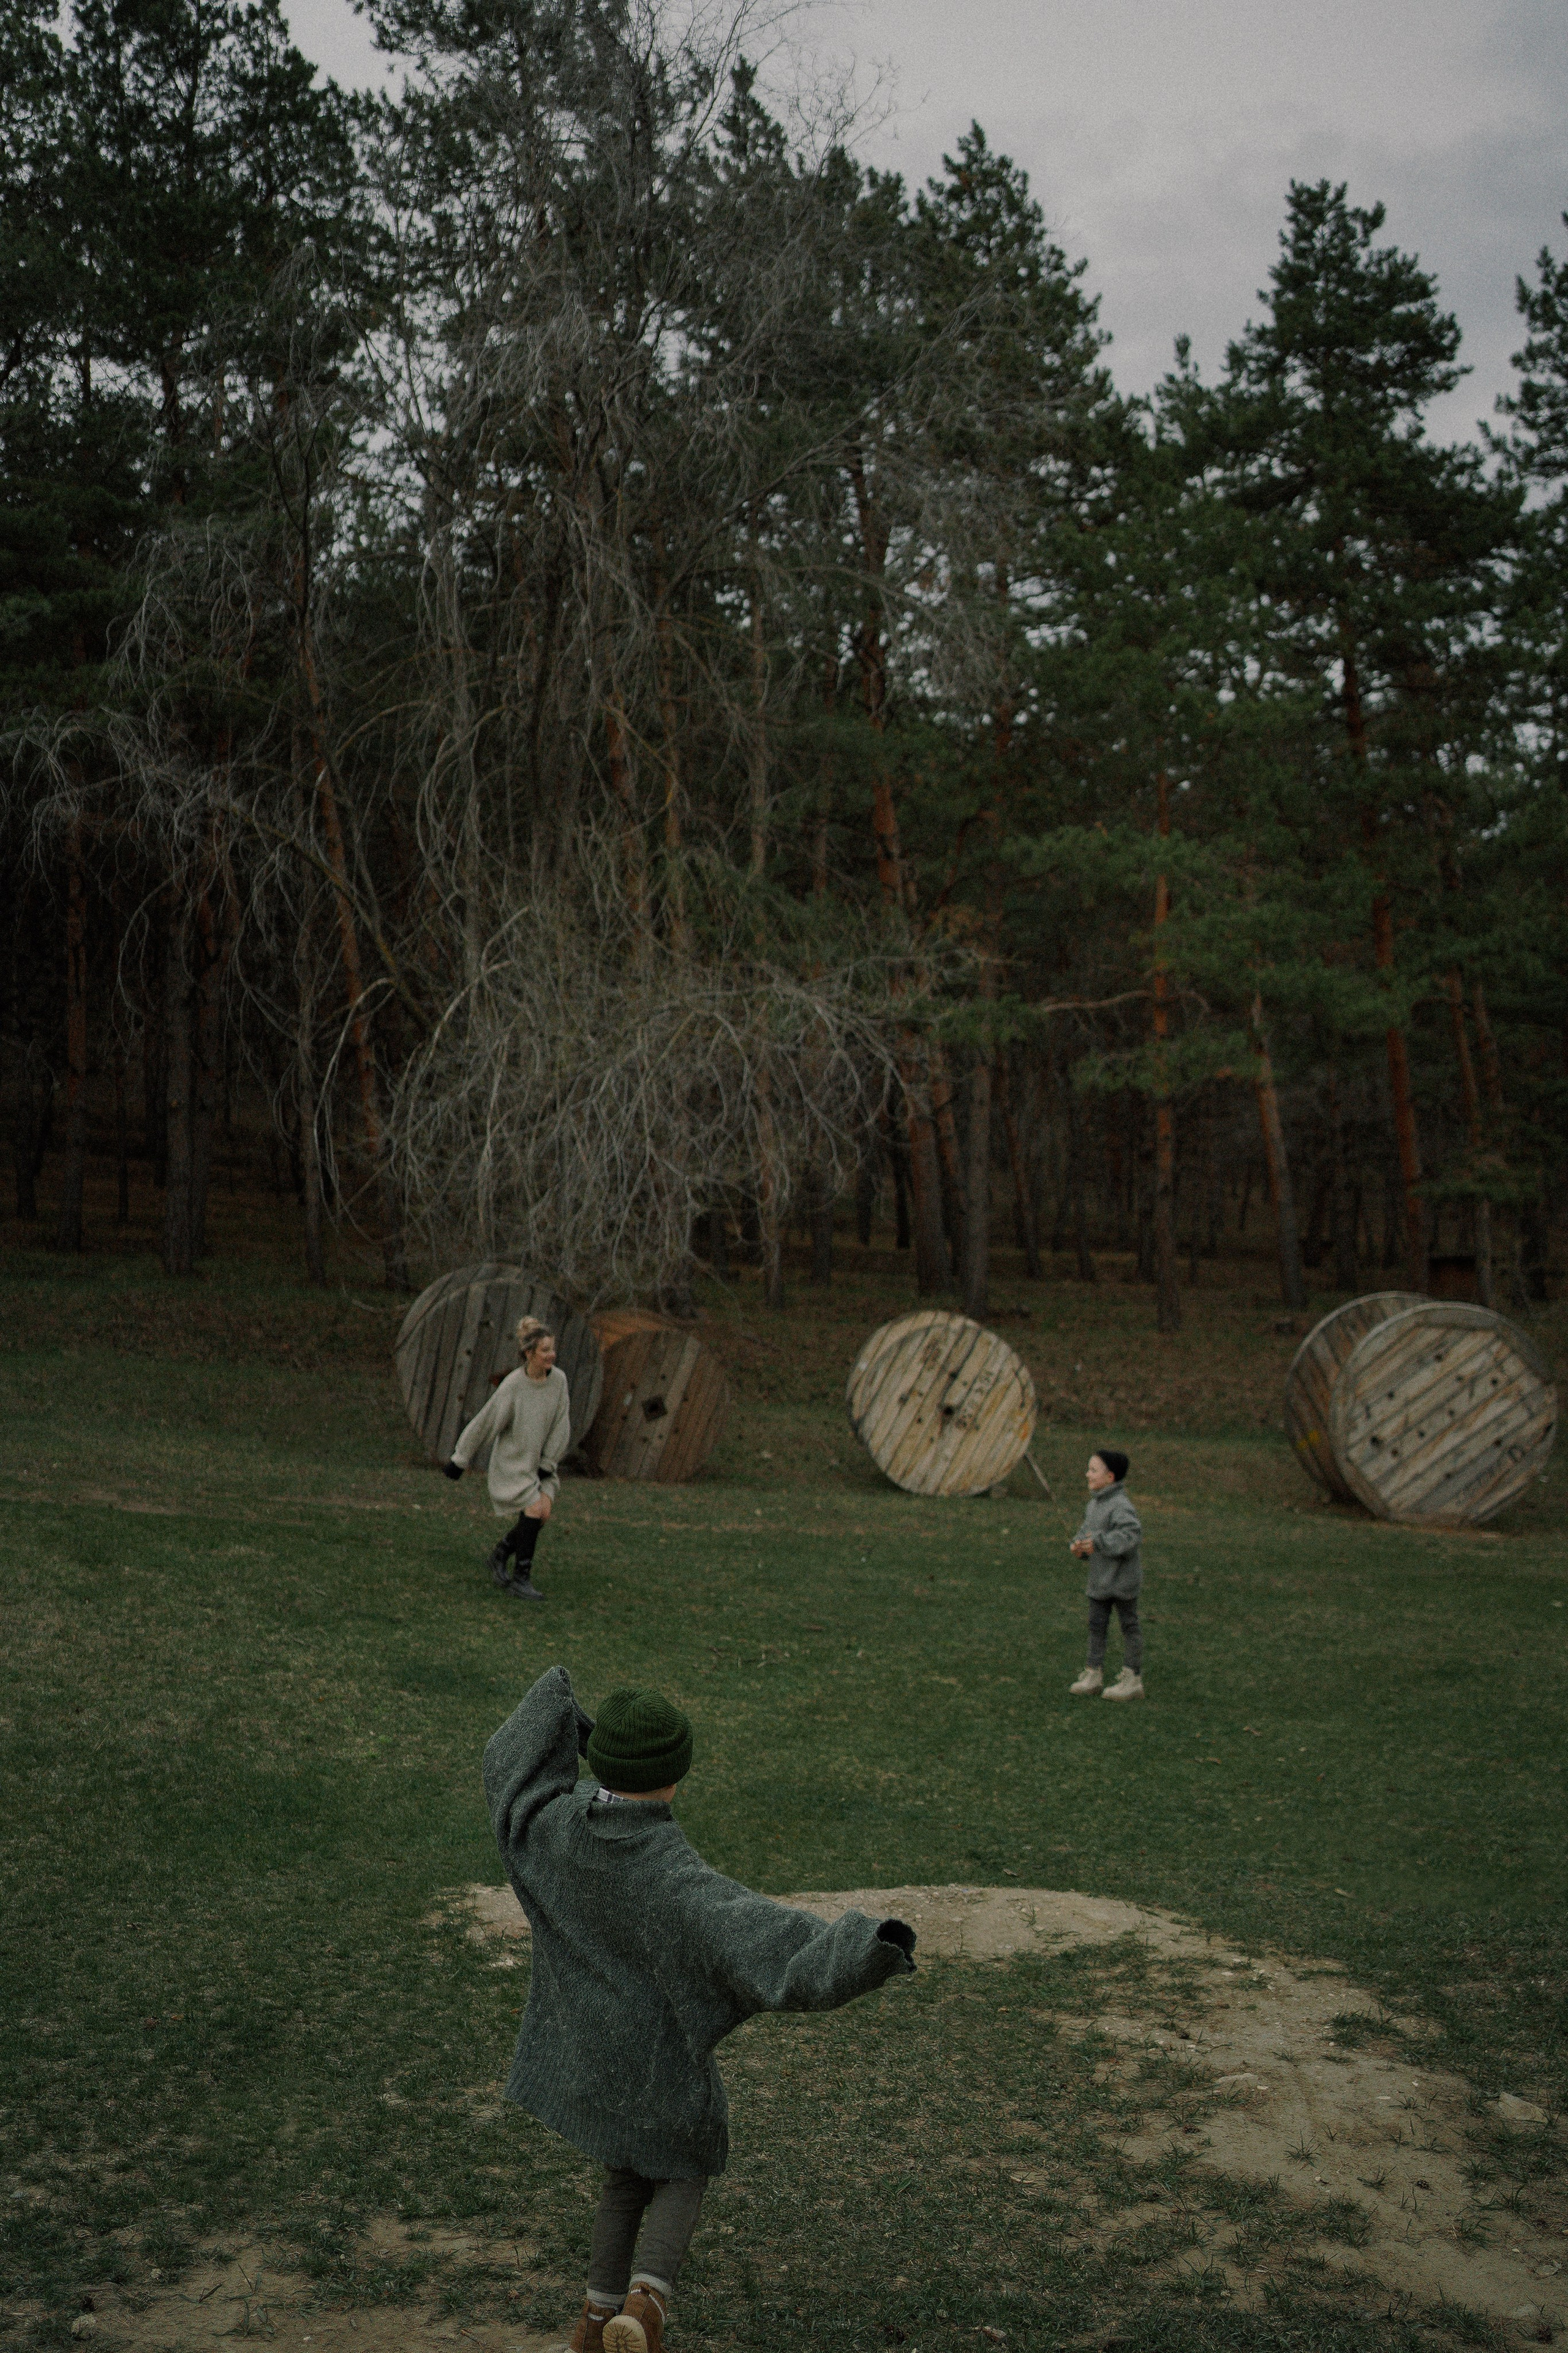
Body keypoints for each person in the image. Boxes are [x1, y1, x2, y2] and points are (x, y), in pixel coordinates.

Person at [483, 1668, 918, 2353]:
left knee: (624, 2175)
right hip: (657, 2068)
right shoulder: (673, 1876)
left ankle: (595, 2321)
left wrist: (570, 1712)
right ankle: (647, 2303)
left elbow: (512, 1763)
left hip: (588, 2057)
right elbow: (771, 1944)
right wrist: (870, 1947)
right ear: (676, 1774)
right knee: (687, 2158)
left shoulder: (549, 1830)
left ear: (603, 1762)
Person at [444, 1316, 571, 1601]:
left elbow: (562, 1425)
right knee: (534, 1510)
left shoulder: (559, 1381)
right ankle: (520, 1579)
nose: (551, 1356)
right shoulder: (514, 1385)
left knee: (543, 1514)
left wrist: (548, 1464)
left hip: (543, 1464)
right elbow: (485, 1421)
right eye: (545, 1351)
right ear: (529, 1354)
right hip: (514, 1464)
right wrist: (460, 1459)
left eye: (553, 1350)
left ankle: (500, 1553)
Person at [1068, 1448, 1145, 1700]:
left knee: (1129, 1626)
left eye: (1093, 1470)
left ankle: (1132, 1679)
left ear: (1110, 1477)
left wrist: (1098, 1542)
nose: (1087, 1474)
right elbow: (1086, 1533)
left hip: (1123, 1581)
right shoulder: (1094, 1504)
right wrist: (1079, 1546)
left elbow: (1131, 1536)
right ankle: (1093, 1674)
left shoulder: (1121, 1505)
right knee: (1096, 1626)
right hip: (1099, 1581)